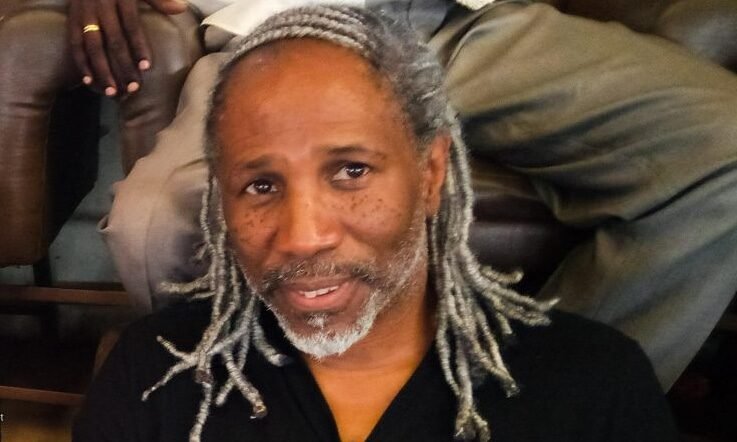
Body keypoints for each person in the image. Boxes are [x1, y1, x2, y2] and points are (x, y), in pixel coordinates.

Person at [73, 6, 678, 441]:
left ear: (431, 174)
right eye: (260, 186)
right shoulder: (150, 380)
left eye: (352, 171)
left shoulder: (598, 388)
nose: (304, 237)